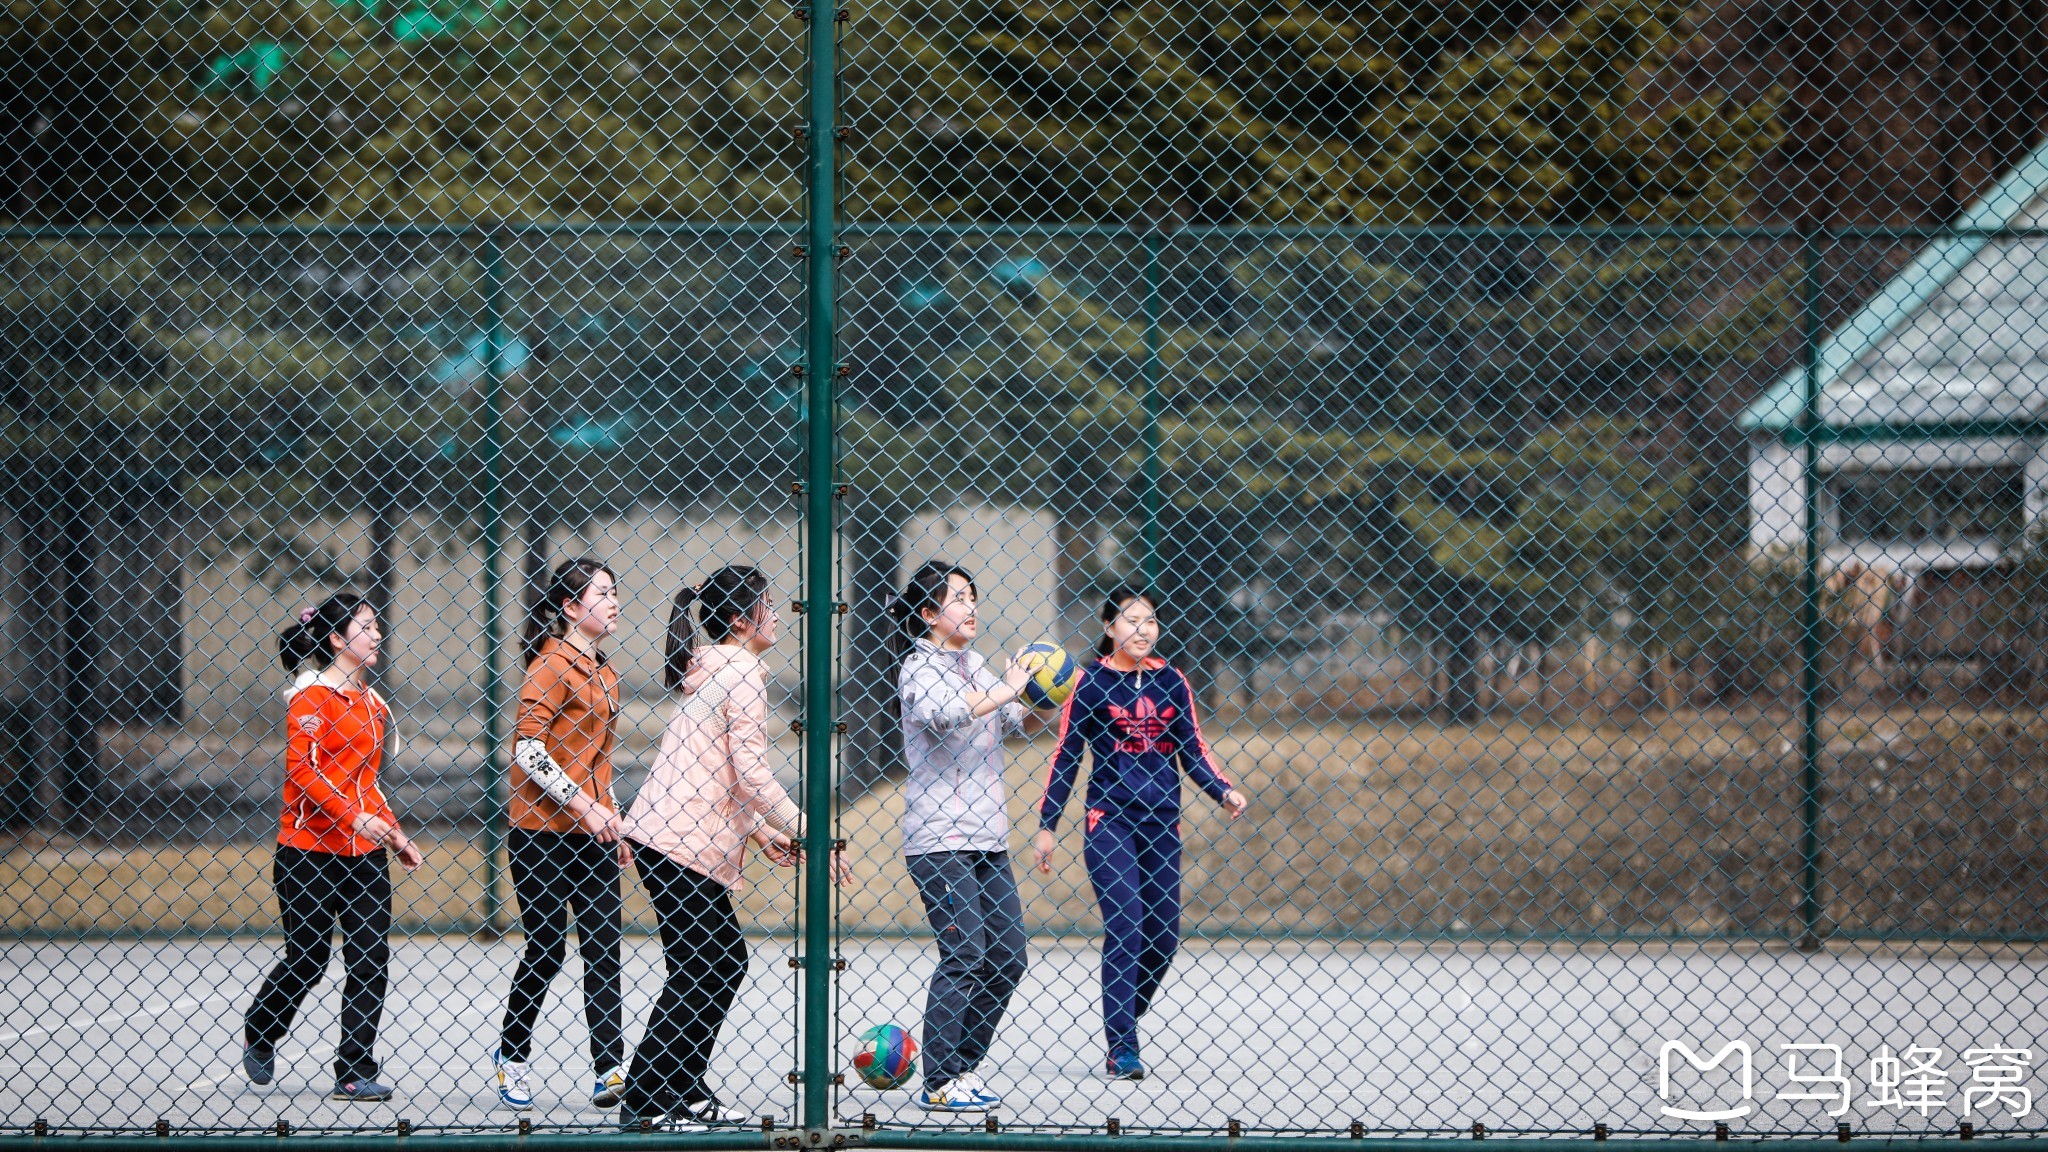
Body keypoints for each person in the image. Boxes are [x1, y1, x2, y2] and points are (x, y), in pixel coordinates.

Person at [618, 565, 851, 1130]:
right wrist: (808, 828)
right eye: (768, 606)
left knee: (719, 961)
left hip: (669, 836)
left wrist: (762, 830)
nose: (777, 616)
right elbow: (749, 769)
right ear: (741, 620)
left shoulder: (716, 668)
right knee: (704, 967)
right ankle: (646, 1102)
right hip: (678, 842)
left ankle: (686, 1088)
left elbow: (715, 771)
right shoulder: (742, 670)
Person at [1032, 586, 1249, 1082]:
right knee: (1126, 929)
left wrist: (1223, 791)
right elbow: (1066, 757)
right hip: (1109, 821)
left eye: (1149, 621)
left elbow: (1192, 748)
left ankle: (1123, 1015)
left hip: (1161, 823)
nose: (1142, 629)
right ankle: (1122, 1046)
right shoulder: (1089, 685)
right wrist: (1048, 827)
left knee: (1163, 939)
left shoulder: (1173, 681)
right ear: (1110, 629)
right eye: (1130, 621)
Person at [242, 593, 423, 1102]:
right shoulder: (310, 697)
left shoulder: (372, 704)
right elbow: (303, 773)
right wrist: (354, 817)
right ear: (337, 639)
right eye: (365, 627)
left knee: (371, 957)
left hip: (364, 855)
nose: (376, 635)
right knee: (309, 956)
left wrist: (393, 833)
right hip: (306, 853)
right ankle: (262, 1029)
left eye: (376, 626)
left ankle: (354, 1067)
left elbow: (368, 783)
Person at [887, 562, 1035, 1113]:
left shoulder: (977, 666)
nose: (970, 607)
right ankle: (940, 1079)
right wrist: (1006, 691)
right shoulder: (917, 669)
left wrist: (1044, 689)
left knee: (1009, 957)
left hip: (987, 839)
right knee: (965, 952)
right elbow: (947, 716)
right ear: (929, 614)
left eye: (973, 596)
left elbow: (1023, 720)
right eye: (956, 598)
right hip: (939, 840)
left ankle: (963, 1067)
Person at [491, 558, 629, 1112]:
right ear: (571, 608)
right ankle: (511, 1055)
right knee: (546, 947)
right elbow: (527, 749)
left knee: (603, 948)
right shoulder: (550, 664)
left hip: (592, 833)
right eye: (602, 592)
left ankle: (610, 1068)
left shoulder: (607, 670)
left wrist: (610, 818)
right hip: (540, 833)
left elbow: (600, 761)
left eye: (615, 591)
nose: (615, 601)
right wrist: (582, 807)